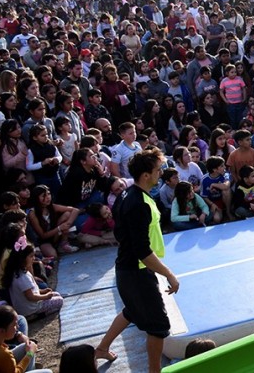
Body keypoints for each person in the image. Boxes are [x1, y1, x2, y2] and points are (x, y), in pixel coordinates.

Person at [95, 148, 179, 373]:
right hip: (136, 271)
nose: (160, 173)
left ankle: (101, 348)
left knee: (132, 310)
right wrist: (169, 274)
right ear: (145, 175)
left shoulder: (132, 193)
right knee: (159, 327)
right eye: (158, 170)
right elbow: (142, 251)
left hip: (130, 268)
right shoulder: (137, 203)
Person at [0, 305, 49, 373]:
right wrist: (30, 354)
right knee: (48, 372)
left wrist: (18, 334)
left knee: (25, 346)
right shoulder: (3, 354)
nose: (18, 326)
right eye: (14, 325)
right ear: (1, 331)